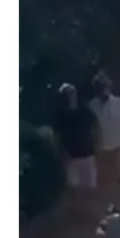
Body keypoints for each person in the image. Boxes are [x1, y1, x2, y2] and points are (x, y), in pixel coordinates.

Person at [87, 70, 120, 208]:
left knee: (119, 174)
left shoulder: (119, 103)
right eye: (99, 86)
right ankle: (111, 204)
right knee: (106, 177)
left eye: (104, 86)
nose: (102, 89)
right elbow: (91, 129)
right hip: (101, 147)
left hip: (118, 146)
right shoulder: (92, 105)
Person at [52, 82, 99, 217]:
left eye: (72, 93)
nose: (70, 97)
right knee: (74, 187)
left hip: (87, 153)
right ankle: (79, 212)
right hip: (71, 156)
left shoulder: (84, 111)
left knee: (89, 186)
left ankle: (89, 212)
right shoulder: (60, 115)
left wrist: (97, 144)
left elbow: (96, 126)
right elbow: (57, 136)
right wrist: (60, 154)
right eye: (67, 94)